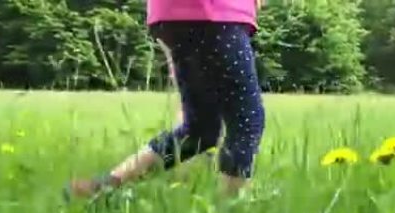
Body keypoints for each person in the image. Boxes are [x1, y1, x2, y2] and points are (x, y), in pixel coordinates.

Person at [66, 0, 266, 199]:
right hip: (215, 13)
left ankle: (100, 188)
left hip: (174, 16)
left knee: (199, 131)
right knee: (246, 121)